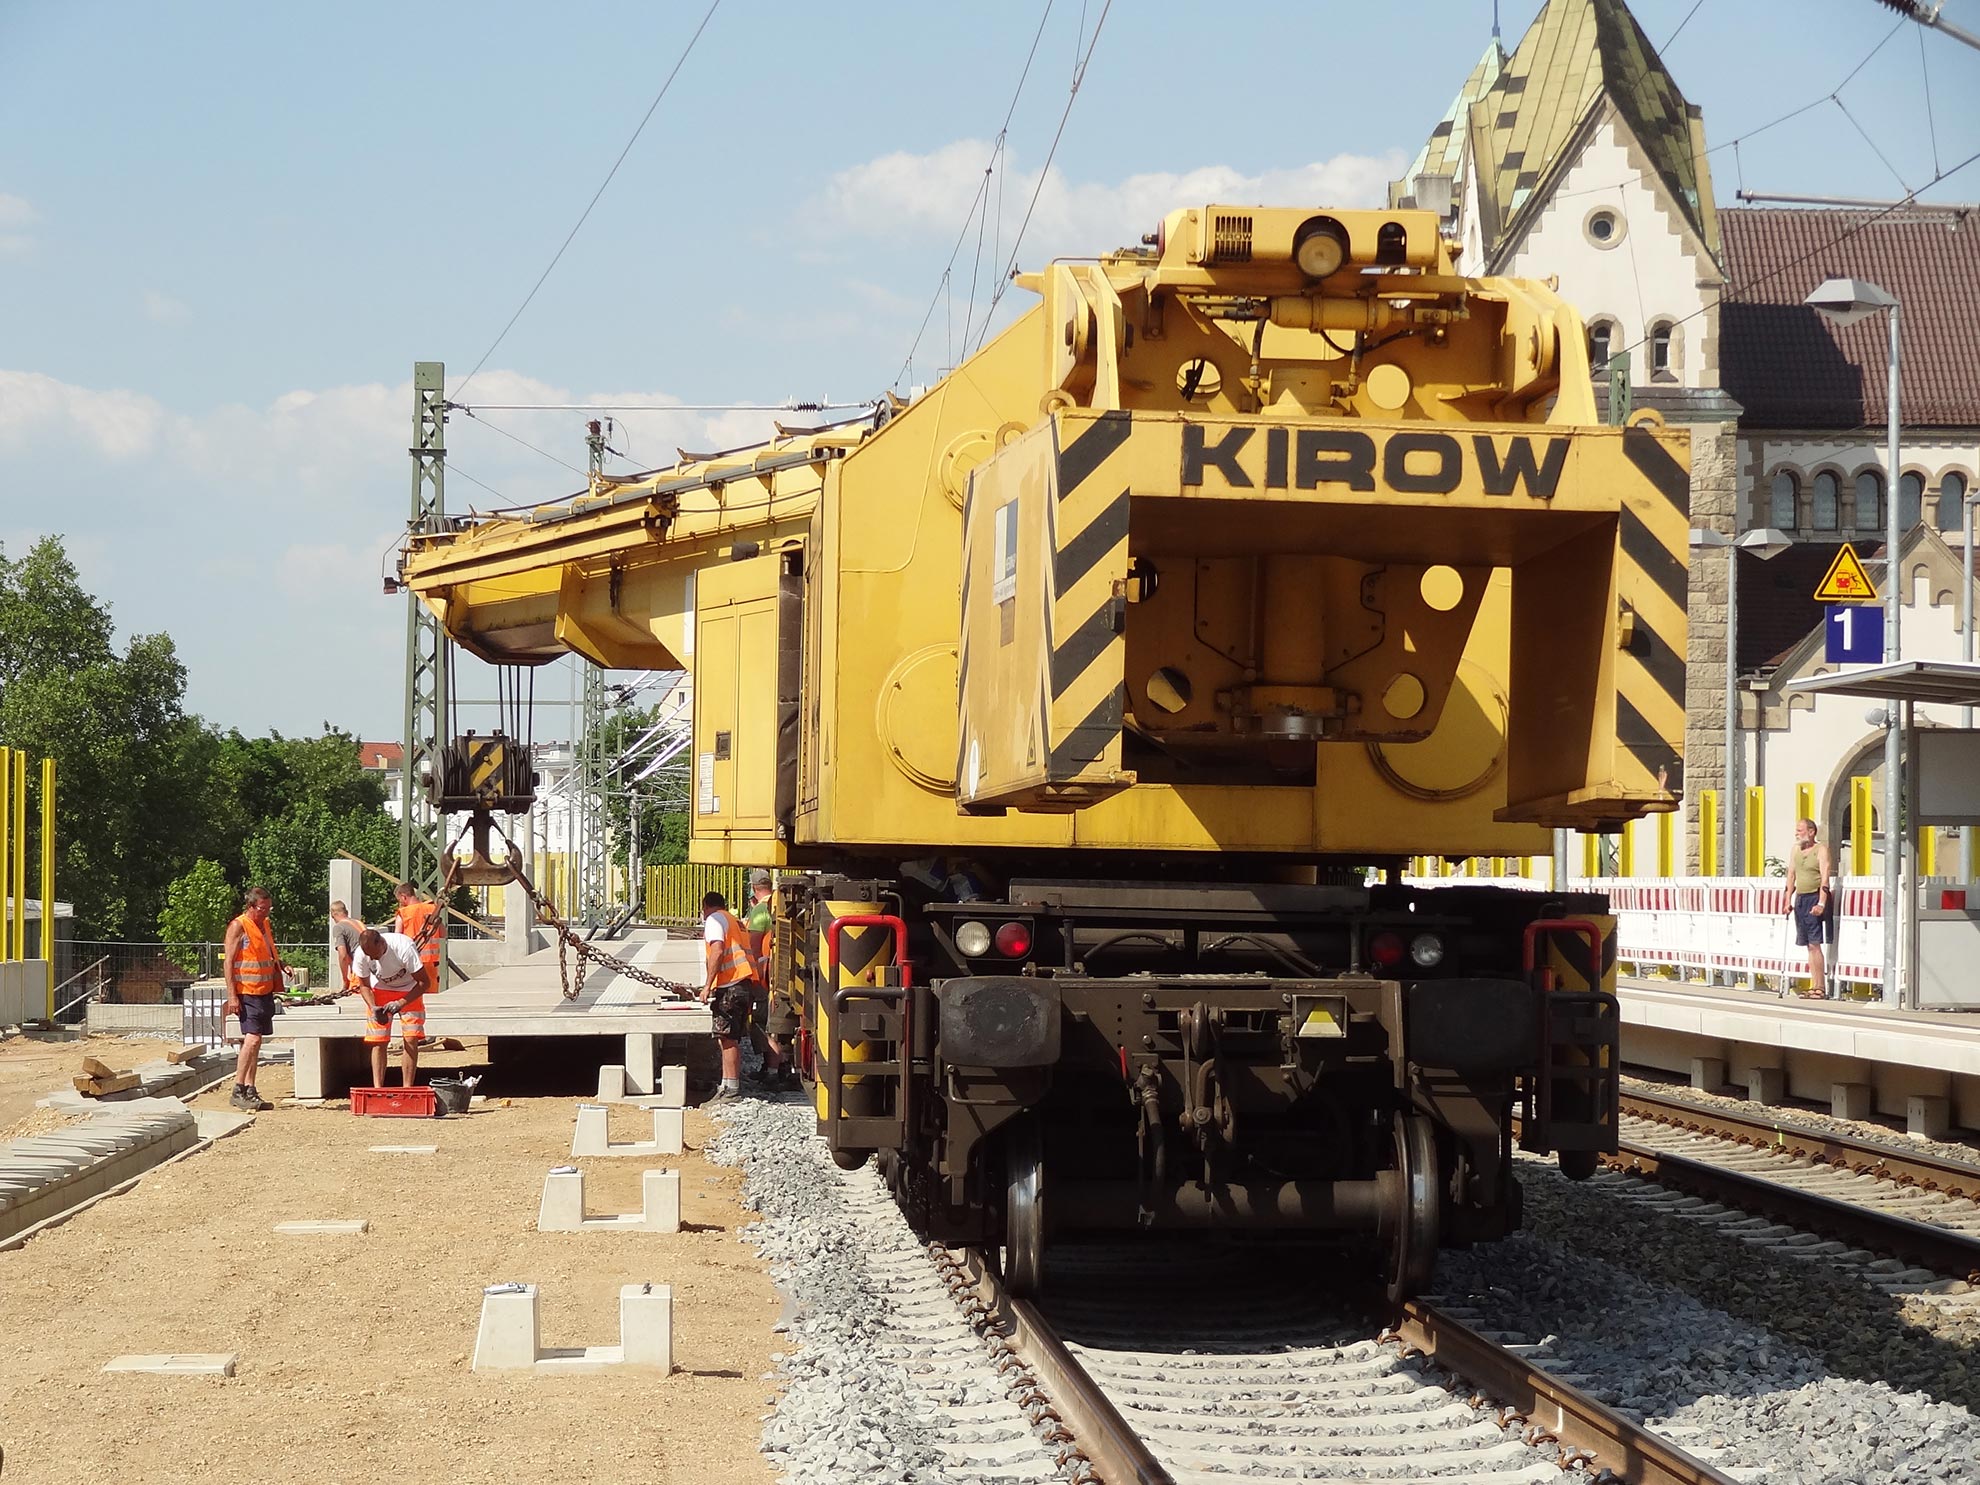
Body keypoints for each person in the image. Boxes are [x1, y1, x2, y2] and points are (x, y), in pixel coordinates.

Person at [222, 886, 283, 1112]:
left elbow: (267, 953)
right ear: (251, 907)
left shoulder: (263, 924)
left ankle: (250, 1089)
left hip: (264, 990)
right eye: (262, 909)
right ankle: (238, 1088)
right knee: (252, 1039)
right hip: (246, 991)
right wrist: (232, 996)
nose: (266, 913)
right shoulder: (239, 926)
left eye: (268, 908)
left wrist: (281, 965)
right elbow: (228, 962)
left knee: (257, 1043)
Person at [351, 927, 430, 1090]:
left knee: (410, 1037)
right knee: (378, 1040)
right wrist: (373, 1006)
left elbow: (424, 982)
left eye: (375, 954)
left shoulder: (404, 948)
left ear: (381, 943)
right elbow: (364, 985)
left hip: (410, 989)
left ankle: (407, 1087)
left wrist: (401, 1002)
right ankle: (378, 1088)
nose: (373, 958)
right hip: (381, 990)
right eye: (369, 956)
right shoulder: (361, 954)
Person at [743, 870, 796, 1091]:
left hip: (765, 977)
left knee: (763, 1024)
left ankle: (774, 1070)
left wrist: (751, 978)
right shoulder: (780, 903)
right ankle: (776, 1067)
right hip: (785, 975)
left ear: (754, 888)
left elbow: (753, 947)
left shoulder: (760, 910)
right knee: (780, 1021)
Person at [700, 891, 756, 1102]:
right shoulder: (734, 920)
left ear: (706, 906)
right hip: (742, 984)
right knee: (729, 1036)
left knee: (727, 1037)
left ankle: (731, 1089)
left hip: (731, 986)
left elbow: (717, 951)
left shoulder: (714, 920)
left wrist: (707, 985)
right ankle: (726, 1085)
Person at [1785, 817, 1834, 999]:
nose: (1797, 833)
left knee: (1815, 944)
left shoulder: (1821, 850)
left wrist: (1821, 903)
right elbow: (1791, 875)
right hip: (1801, 899)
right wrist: (1787, 900)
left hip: (1814, 896)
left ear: (1811, 832)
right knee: (1807, 945)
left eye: (1800, 830)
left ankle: (1820, 987)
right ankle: (1814, 984)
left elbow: (1824, 877)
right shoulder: (1796, 850)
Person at [394, 881, 445, 998]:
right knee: (431, 997)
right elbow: (443, 934)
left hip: (412, 962)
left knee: (413, 996)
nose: (400, 903)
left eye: (400, 900)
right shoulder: (433, 909)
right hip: (431, 963)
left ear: (404, 896)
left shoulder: (403, 913)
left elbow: (397, 939)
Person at [329, 900, 365, 996]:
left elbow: (343, 955)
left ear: (333, 915)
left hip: (360, 974)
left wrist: (346, 981)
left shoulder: (339, 927)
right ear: (346, 912)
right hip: (372, 972)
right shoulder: (359, 923)